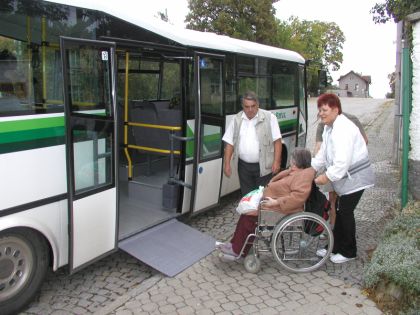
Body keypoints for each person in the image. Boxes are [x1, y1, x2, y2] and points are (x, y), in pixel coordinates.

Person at [217, 148, 315, 257]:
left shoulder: (302, 176)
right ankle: (235, 245)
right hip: (274, 205)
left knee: (249, 216)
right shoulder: (296, 171)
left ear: (297, 161)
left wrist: (275, 202)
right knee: (246, 214)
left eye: (293, 159)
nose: (291, 161)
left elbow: (297, 198)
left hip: (281, 209)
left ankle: (237, 249)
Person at [311, 93, 374, 264]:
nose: (321, 113)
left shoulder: (343, 128)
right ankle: (335, 246)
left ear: (335, 109)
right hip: (345, 177)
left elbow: (342, 162)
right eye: (320, 110)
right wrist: (311, 169)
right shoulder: (328, 128)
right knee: (338, 210)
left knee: (345, 212)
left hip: (356, 177)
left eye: (324, 110)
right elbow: (323, 154)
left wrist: (325, 177)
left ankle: (349, 251)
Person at [314, 112, 368, 228]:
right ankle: (336, 237)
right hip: (342, 170)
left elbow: (319, 148)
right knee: (340, 206)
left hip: (343, 172)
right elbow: (365, 141)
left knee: (339, 206)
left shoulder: (344, 122)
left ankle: (338, 238)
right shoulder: (327, 123)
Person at [222, 91, 282, 196]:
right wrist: (227, 164)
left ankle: (260, 212)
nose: (250, 110)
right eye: (247, 107)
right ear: (242, 106)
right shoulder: (236, 119)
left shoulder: (269, 117)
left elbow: (277, 141)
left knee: (262, 197)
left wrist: (276, 162)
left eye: (253, 106)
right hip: (244, 167)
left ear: (258, 104)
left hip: (263, 167)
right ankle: (249, 212)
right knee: (247, 196)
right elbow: (230, 143)